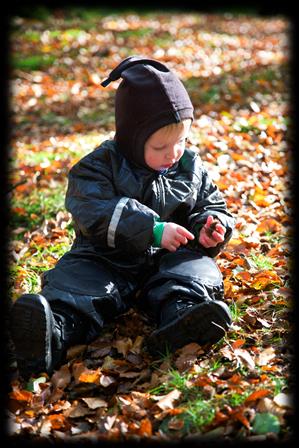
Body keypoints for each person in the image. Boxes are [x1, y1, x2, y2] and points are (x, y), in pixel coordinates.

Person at [10, 56, 235, 379]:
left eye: (181, 140)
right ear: (132, 137)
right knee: (78, 283)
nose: (173, 153)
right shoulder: (100, 165)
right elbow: (91, 207)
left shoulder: (188, 165)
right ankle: (53, 333)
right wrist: (152, 230)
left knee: (194, 273)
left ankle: (181, 321)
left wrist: (211, 226)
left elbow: (211, 203)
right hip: (106, 257)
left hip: (170, 259)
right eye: (160, 146)